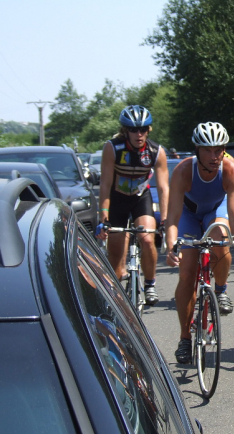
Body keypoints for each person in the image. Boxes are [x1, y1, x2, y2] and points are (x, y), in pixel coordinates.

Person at [165, 122, 234, 364]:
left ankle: (221, 289)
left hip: (216, 210)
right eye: (209, 150)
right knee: (186, 274)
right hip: (188, 216)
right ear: (197, 150)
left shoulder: (231, 170)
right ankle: (185, 338)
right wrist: (171, 245)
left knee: (220, 237)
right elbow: (172, 217)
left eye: (220, 150)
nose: (215, 157)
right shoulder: (184, 170)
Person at [96, 105, 169, 306]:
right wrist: (103, 216)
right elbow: (105, 184)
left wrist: (164, 218)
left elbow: (163, 188)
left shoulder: (156, 151)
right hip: (117, 199)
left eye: (143, 130)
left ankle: (150, 283)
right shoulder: (113, 148)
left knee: (147, 238)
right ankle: (115, 296)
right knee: (117, 263)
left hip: (140, 198)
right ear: (125, 130)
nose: (139, 134)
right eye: (134, 130)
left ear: (149, 130)